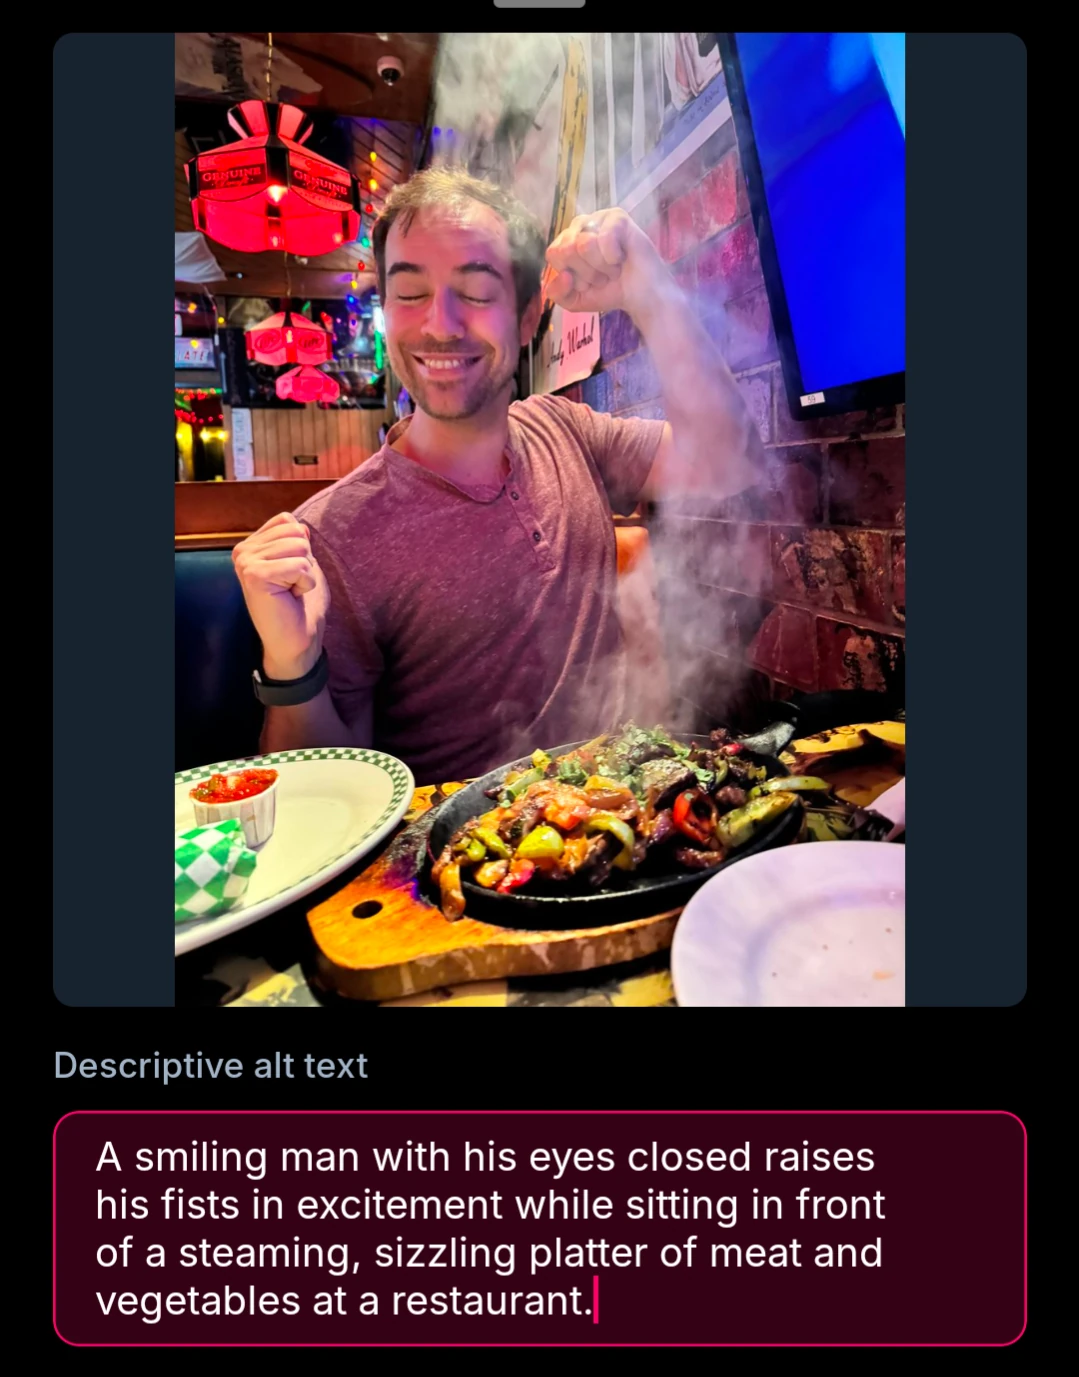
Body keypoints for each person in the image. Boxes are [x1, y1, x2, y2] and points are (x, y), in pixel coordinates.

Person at [232, 167, 763, 782]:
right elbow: (319, 791)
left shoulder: (566, 429)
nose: (440, 323)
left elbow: (729, 461)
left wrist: (649, 289)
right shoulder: (331, 535)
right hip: (469, 862)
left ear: (529, 314)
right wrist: (292, 664)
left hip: (630, 826)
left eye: (477, 291)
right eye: (409, 293)